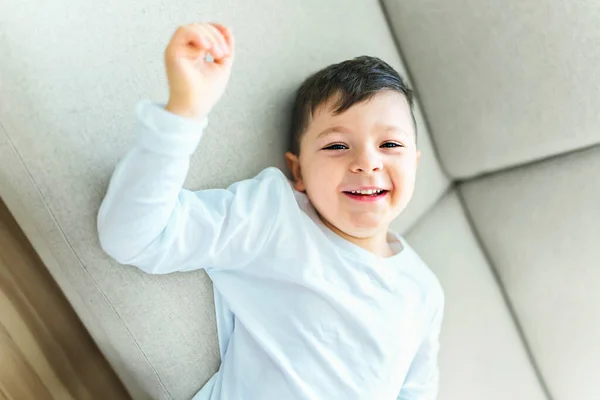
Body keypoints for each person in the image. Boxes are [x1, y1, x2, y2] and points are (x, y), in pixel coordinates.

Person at [97, 21, 445, 400]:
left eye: (390, 144)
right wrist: (184, 112)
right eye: (337, 146)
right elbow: (135, 235)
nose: (367, 162)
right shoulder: (274, 217)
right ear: (298, 171)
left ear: (414, 162)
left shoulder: (424, 292)